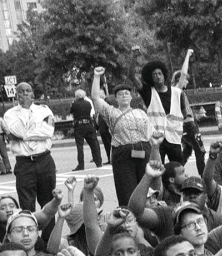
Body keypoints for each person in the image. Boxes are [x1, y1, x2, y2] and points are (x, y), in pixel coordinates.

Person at [91, 67, 152, 205]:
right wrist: (96, 77)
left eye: (126, 93)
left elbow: (151, 135)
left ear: (131, 96)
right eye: (120, 94)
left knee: (146, 190)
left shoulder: (141, 113)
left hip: (143, 151)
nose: (124, 95)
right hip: (123, 155)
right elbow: (95, 97)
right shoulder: (111, 112)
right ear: (116, 98)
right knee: (126, 190)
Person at [2, 80, 57, 212]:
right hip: (24, 164)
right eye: (21, 91)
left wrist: (24, 136)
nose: (25, 94)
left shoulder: (44, 110)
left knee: (48, 203)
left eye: (28, 91)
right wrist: (25, 110)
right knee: (27, 205)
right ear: (16, 95)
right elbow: (19, 131)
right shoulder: (10, 114)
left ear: (32, 93)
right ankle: (31, 230)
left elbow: (48, 132)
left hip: (44, 160)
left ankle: (48, 233)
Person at [140, 53, 193, 165]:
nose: (158, 76)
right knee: (157, 169)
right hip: (156, 139)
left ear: (164, 75)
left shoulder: (177, 92)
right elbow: (132, 77)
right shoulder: (149, 93)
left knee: (178, 168)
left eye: (160, 73)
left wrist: (189, 129)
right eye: (154, 75)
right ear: (150, 78)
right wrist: (134, 57)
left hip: (174, 137)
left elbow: (185, 114)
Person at [68, 87, 103, 171]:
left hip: (79, 126)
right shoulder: (88, 103)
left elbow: (71, 111)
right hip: (88, 125)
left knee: (80, 146)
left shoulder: (75, 104)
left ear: (76, 96)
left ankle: (81, 164)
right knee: (94, 144)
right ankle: (98, 162)